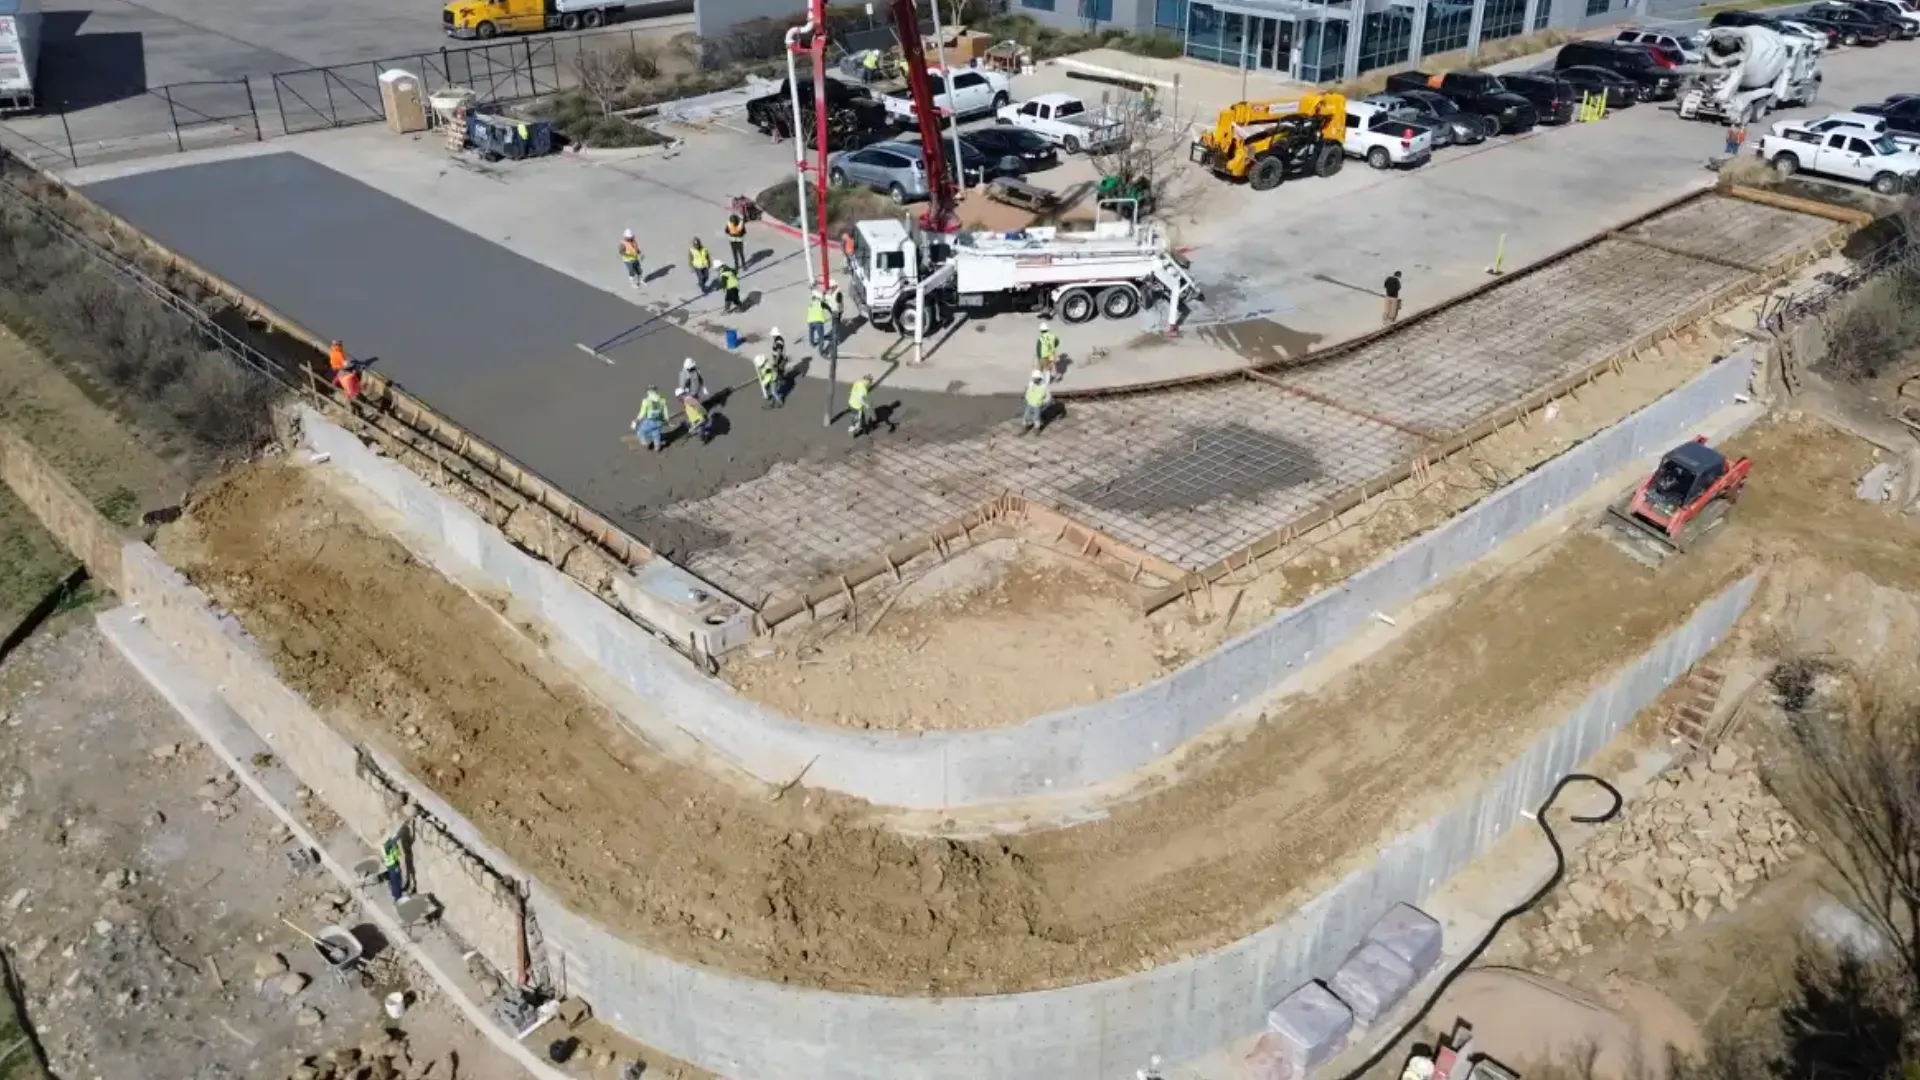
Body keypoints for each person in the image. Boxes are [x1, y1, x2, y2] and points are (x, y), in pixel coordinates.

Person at [633, 386, 669, 451]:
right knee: (656, 433)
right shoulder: (662, 400)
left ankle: (645, 443)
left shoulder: (646, 401)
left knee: (640, 433)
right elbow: (665, 411)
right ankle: (657, 447)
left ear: (649, 392)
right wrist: (666, 419)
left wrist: (637, 420)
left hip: (649, 421)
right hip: (659, 421)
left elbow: (642, 413)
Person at [1021, 370, 1051, 435]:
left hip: (1037, 405)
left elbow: (1048, 397)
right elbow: (1028, 391)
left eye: (1035, 379)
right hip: (1030, 403)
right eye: (1033, 379)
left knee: (1036, 417)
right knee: (1026, 415)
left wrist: (1042, 402)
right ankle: (1025, 426)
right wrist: (1027, 398)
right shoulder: (1031, 383)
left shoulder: (1044, 386)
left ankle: (1037, 428)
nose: (1034, 380)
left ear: (1039, 378)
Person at [380, 833, 406, 902]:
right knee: (396, 882)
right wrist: (396, 839)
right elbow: (392, 843)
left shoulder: (384, 847)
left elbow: (395, 851)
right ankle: (398, 897)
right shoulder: (387, 847)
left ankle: (397, 894)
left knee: (395, 881)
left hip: (391, 866)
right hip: (394, 866)